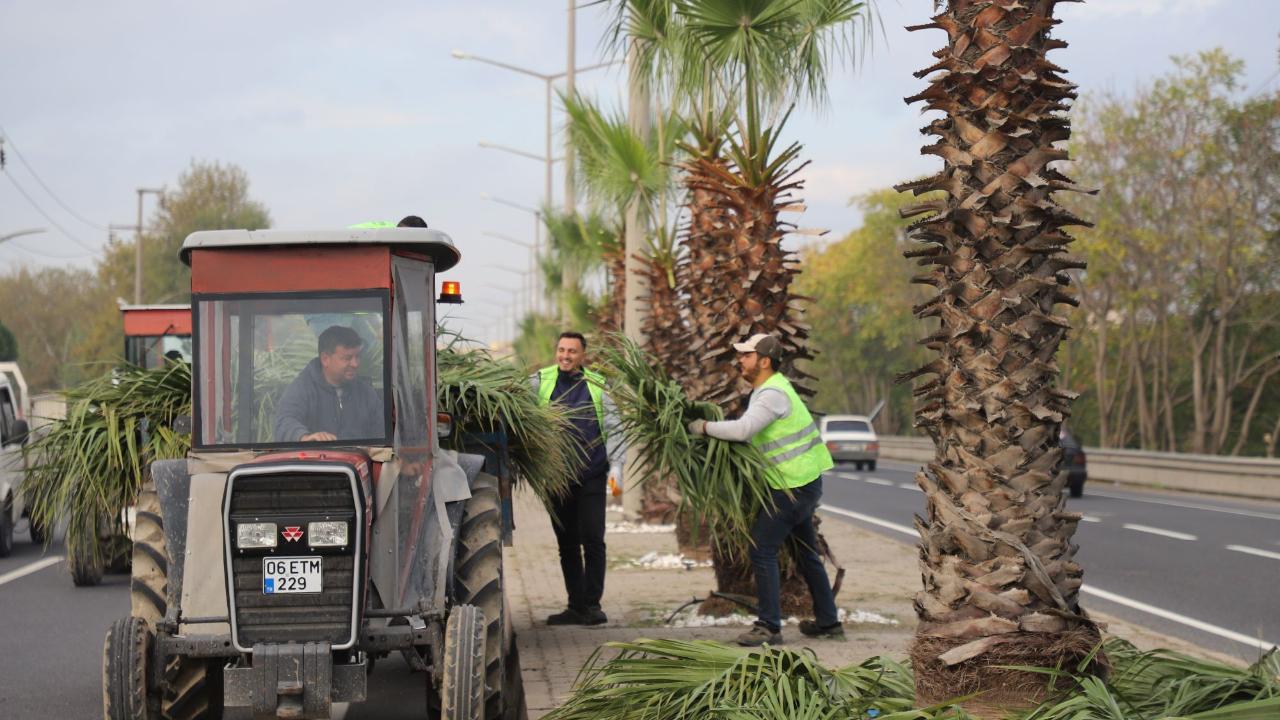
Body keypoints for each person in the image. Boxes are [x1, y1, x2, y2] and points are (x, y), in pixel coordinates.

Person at [687, 333, 841, 646]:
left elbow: (743, 430)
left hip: (791, 486)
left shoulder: (772, 393)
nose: (739, 360)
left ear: (764, 360)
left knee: (761, 548)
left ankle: (769, 626)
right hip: (799, 483)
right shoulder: (769, 391)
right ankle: (828, 622)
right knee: (806, 554)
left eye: (746, 355)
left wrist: (702, 427)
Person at [531, 331, 625, 626]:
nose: (565, 356)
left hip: (591, 474)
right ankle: (575, 606)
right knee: (567, 543)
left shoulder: (597, 384)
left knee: (593, 539)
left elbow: (614, 426)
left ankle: (593, 606)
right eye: (561, 350)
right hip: (556, 477)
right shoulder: (540, 380)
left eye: (572, 351)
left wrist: (617, 467)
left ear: (583, 355)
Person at [273, 325, 384, 443]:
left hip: (359, 459)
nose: (355, 364)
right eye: (347, 358)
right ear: (325, 359)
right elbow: (284, 421)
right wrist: (304, 437)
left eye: (357, 357)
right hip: (314, 460)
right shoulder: (301, 388)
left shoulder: (366, 393)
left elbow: (381, 432)